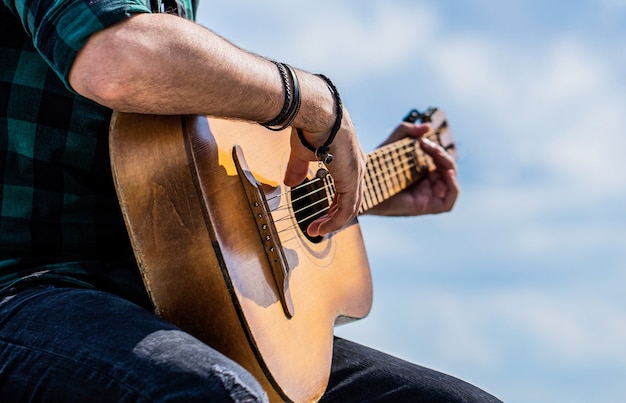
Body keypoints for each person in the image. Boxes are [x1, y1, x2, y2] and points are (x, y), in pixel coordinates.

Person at [0, 0, 502, 400]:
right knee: (212, 392)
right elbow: (116, 60)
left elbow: (176, 197)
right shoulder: (141, 29)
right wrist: (315, 102)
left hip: (173, 307)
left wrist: (355, 191)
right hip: (22, 292)